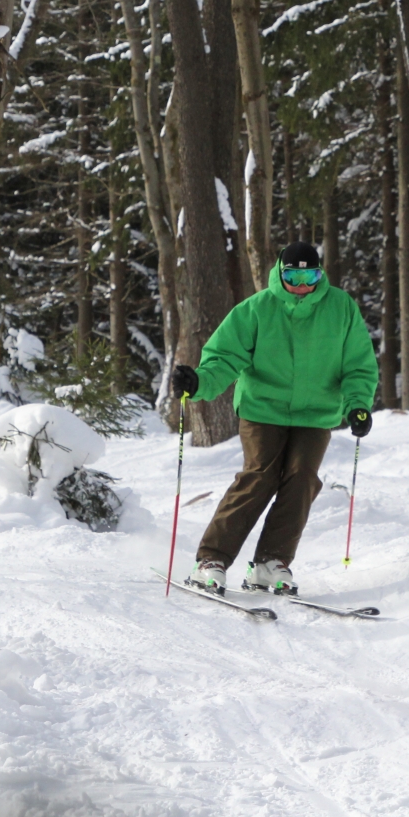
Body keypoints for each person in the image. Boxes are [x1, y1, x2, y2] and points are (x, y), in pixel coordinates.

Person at [172, 241, 379, 597]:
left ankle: (270, 562)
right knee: (260, 476)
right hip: (262, 409)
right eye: (293, 275)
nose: (301, 284)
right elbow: (222, 358)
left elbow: (358, 364)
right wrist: (199, 383)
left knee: (302, 479)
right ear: (280, 273)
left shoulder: (340, 307)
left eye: (309, 275)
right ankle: (211, 559)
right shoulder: (256, 309)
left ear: (320, 274)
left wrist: (357, 405)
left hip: (316, 413)